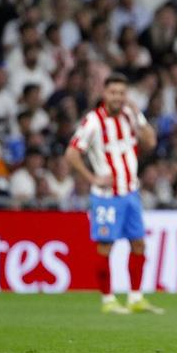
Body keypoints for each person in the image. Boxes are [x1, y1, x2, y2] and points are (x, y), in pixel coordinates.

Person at [65, 73, 163, 315]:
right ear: (104, 93)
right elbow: (72, 153)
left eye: (121, 93)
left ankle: (135, 298)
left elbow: (151, 142)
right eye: (113, 92)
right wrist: (92, 178)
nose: (117, 97)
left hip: (130, 193)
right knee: (105, 246)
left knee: (138, 243)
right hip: (107, 197)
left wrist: (139, 115)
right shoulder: (93, 121)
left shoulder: (130, 116)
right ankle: (108, 300)